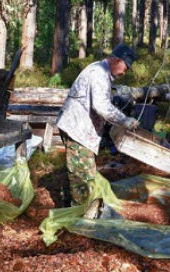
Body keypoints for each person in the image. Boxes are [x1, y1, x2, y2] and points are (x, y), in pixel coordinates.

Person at [56, 43, 139, 214]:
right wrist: (124, 120)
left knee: (84, 171)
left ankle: (76, 207)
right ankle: (78, 216)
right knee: (82, 177)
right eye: (126, 66)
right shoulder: (98, 74)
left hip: (81, 129)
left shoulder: (101, 72)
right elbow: (101, 106)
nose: (126, 72)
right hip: (77, 130)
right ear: (116, 60)